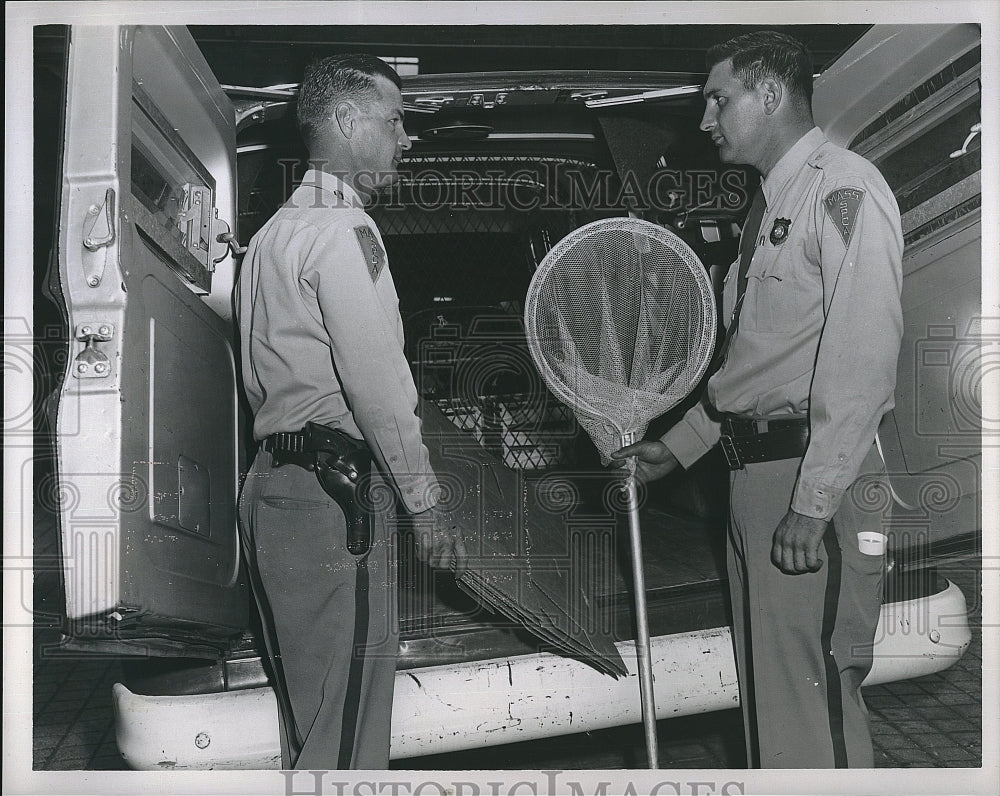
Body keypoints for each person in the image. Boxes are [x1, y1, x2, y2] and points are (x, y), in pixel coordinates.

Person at [614, 31, 903, 768]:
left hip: (811, 481)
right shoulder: (767, 211)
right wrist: (674, 450)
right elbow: (753, 371)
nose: (705, 118)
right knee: (775, 702)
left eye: (719, 98)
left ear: (770, 94)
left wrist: (814, 502)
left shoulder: (843, 189)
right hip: (755, 481)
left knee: (818, 697)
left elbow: (863, 355)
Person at [235, 54, 466, 770]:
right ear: (345, 120)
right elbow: (376, 382)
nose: (406, 138)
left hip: (274, 489)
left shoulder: (273, 235)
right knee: (348, 738)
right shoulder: (343, 231)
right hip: (335, 500)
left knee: (312, 722)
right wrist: (424, 504)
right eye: (395, 119)